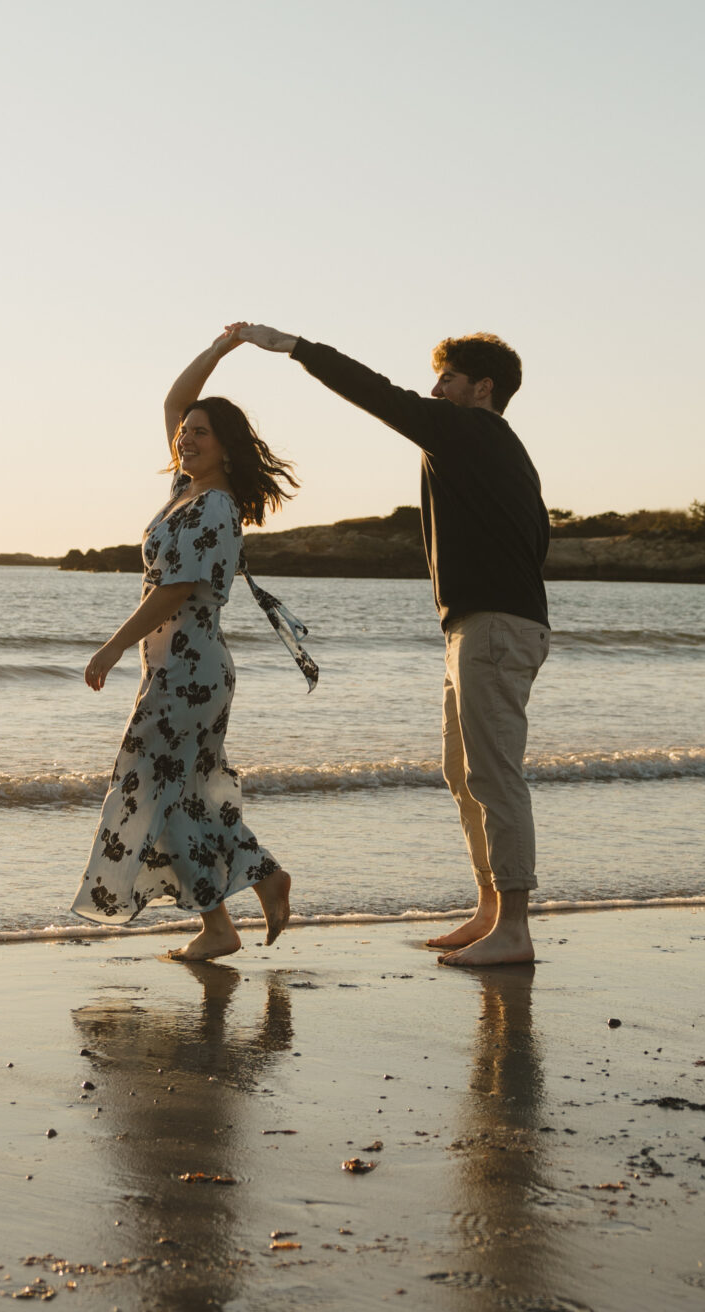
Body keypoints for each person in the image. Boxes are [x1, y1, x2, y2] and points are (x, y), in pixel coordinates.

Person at [229, 322, 549, 968]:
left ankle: (514, 926)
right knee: (462, 776)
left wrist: (294, 347)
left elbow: (376, 393)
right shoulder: (490, 447)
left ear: (481, 388)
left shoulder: (468, 432)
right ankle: (489, 912)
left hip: (492, 626)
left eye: (448, 380)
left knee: (491, 776)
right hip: (478, 624)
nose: (435, 390)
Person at [73, 327, 317, 962]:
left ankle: (223, 919)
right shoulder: (185, 489)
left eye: (201, 433)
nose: (186, 436)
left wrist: (111, 648)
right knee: (178, 790)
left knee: (155, 788)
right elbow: (172, 404)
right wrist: (219, 352)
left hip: (190, 668)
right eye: (187, 432)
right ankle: (257, 882)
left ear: (227, 450)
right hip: (182, 668)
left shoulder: (212, 505)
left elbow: (175, 590)